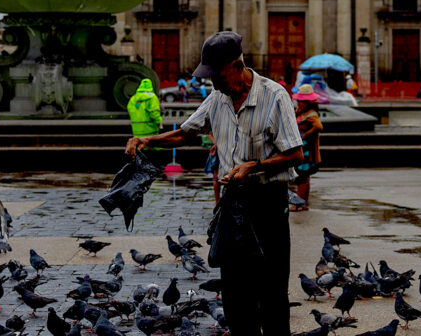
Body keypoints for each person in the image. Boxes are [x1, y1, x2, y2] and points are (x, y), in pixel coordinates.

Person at [125, 31, 302, 336]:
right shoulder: (218, 98)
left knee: (271, 292)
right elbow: (185, 132)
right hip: (233, 206)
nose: (214, 83)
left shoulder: (274, 96)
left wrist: (254, 166)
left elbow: (295, 153)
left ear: (237, 65)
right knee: (234, 294)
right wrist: (147, 140)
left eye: (217, 75)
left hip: (267, 204)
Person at [290, 84, 323, 211]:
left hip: (307, 151)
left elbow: (319, 126)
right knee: (304, 178)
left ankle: (298, 204)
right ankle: (303, 204)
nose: (298, 103)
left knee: (302, 177)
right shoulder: (303, 112)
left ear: (307, 102)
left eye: (300, 101)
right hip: (303, 149)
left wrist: (305, 136)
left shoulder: (311, 114)